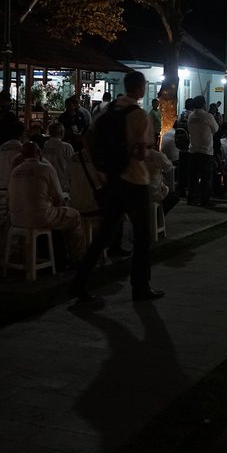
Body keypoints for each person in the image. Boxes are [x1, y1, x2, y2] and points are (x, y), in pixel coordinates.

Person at [71, 71, 162, 304]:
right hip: (135, 180)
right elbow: (141, 153)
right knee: (142, 236)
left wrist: (101, 166)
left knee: (104, 234)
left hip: (113, 180)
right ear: (141, 88)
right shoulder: (140, 115)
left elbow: (87, 138)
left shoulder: (108, 111)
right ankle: (140, 286)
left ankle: (79, 282)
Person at [8, 141, 83, 265]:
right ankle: (76, 258)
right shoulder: (46, 168)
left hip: (16, 219)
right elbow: (58, 199)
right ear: (39, 152)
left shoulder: (15, 171)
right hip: (40, 218)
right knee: (74, 216)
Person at [187, 95, 219, 207]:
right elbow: (216, 129)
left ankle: (191, 198)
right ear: (203, 104)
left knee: (193, 177)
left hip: (193, 150)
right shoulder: (208, 116)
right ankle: (205, 200)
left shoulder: (191, 116)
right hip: (206, 151)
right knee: (206, 177)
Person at [43, 122, 74, 191]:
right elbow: (72, 165)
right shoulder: (66, 146)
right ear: (62, 132)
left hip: (48, 181)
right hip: (62, 182)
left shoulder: (45, 145)